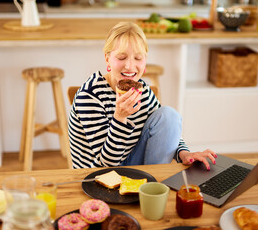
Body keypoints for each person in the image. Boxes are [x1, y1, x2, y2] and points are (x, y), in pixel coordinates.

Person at [68, 22, 217, 169]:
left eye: (138, 58)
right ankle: (151, 184)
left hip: (132, 166)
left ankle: (152, 185)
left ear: (144, 62)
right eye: (121, 58)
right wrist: (120, 117)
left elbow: (167, 131)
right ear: (107, 58)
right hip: (99, 176)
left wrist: (184, 154)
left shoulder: (143, 90)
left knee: (169, 115)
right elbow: (108, 164)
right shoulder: (90, 96)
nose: (129, 66)